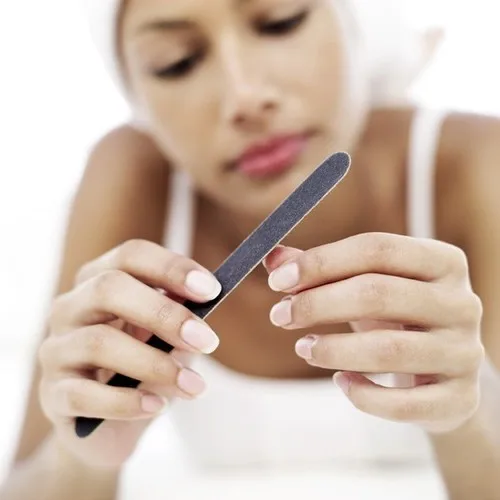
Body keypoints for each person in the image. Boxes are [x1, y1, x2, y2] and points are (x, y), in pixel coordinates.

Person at [2, 0, 500, 498]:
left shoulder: (478, 163)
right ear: (135, 94)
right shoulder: (134, 177)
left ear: (353, 20)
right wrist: (80, 460)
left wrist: (465, 423)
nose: (245, 97)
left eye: (281, 21)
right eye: (175, 61)